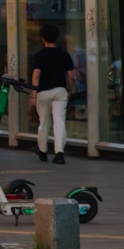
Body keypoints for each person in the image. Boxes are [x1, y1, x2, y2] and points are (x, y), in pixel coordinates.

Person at [31, 24, 75, 164]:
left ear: (43, 39)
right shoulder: (64, 54)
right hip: (60, 91)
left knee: (43, 122)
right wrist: (69, 89)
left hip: (43, 92)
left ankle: (43, 151)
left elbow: (36, 75)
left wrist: (33, 94)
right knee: (59, 121)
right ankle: (59, 153)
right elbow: (71, 76)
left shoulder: (39, 55)